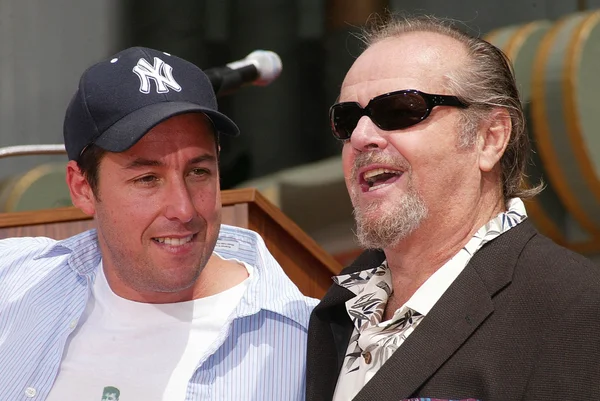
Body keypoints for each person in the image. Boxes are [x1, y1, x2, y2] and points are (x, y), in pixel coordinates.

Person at [306, 14, 600, 401]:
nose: (361, 137)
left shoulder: (577, 309)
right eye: (346, 120)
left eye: (400, 109)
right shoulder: (332, 310)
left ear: (490, 138)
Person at [0, 46, 317, 400]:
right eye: (147, 179)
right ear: (82, 188)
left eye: (198, 172)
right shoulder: (13, 279)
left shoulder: (312, 343)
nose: (183, 209)